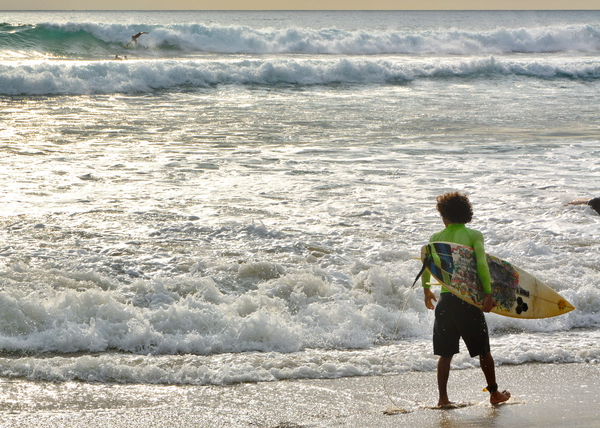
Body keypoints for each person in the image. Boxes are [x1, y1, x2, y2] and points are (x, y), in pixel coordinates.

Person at [421, 192, 511, 407]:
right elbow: (481, 265)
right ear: (466, 214)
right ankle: (494, 394)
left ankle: (443, 399)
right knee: (483, 352)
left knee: (445, 355)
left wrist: (426, 290)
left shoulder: (435, 237)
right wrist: (488, 294)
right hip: (468, 303)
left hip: (445, 303)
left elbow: (427, 263)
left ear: (444, 215)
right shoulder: (473, 235)